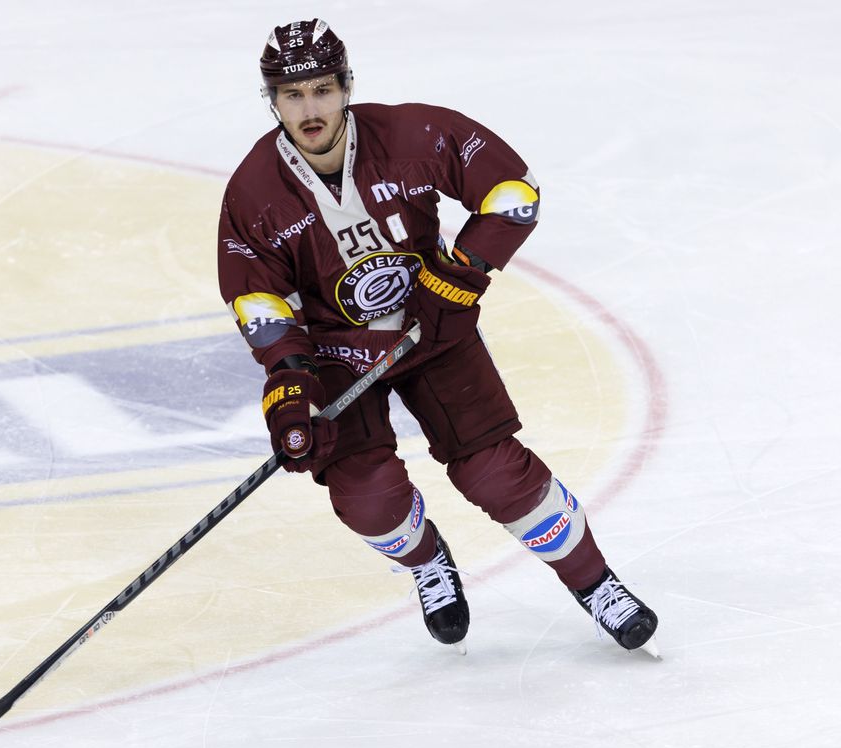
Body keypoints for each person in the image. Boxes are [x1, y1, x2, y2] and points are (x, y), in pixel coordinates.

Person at [217, 19, 659, 655]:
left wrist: (461, 276)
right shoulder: (254, 190)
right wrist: (289, 382)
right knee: (367, 498)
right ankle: (427, 561)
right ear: (272, 100)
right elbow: (257, 297)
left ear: (346, 85)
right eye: (292, 95)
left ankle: (596, 584)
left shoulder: (414, 133)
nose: (309, 109)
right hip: (339, 355)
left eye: (321, 89)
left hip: (435, 327)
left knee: (497, 475)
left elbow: (512, 194)